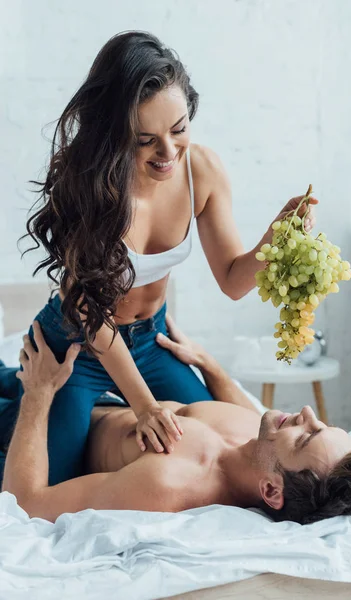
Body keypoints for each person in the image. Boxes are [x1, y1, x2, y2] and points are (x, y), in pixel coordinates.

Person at [18, 30, 318, 484]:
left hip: (152, 342)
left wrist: (275, 239)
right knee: (59, 476)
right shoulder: (89, 186)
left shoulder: (202, 171)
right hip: (79, 344)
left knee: (225, 444)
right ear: (114, 133)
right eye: (145, 140)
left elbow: (235, 281)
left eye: (178, 129)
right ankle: (15, 389)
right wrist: (143, 406)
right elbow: (90, 312)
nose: (168, 152)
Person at [1, 317, 351, 526]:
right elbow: (246, 408)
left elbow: (27, 503)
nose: (306, 415)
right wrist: (210, 365)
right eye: (321, 424)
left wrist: (38, 395)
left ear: (272, 491)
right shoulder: (263, 439)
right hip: (106, 395)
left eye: (305, 438)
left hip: (44, 422)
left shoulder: (169, 483)